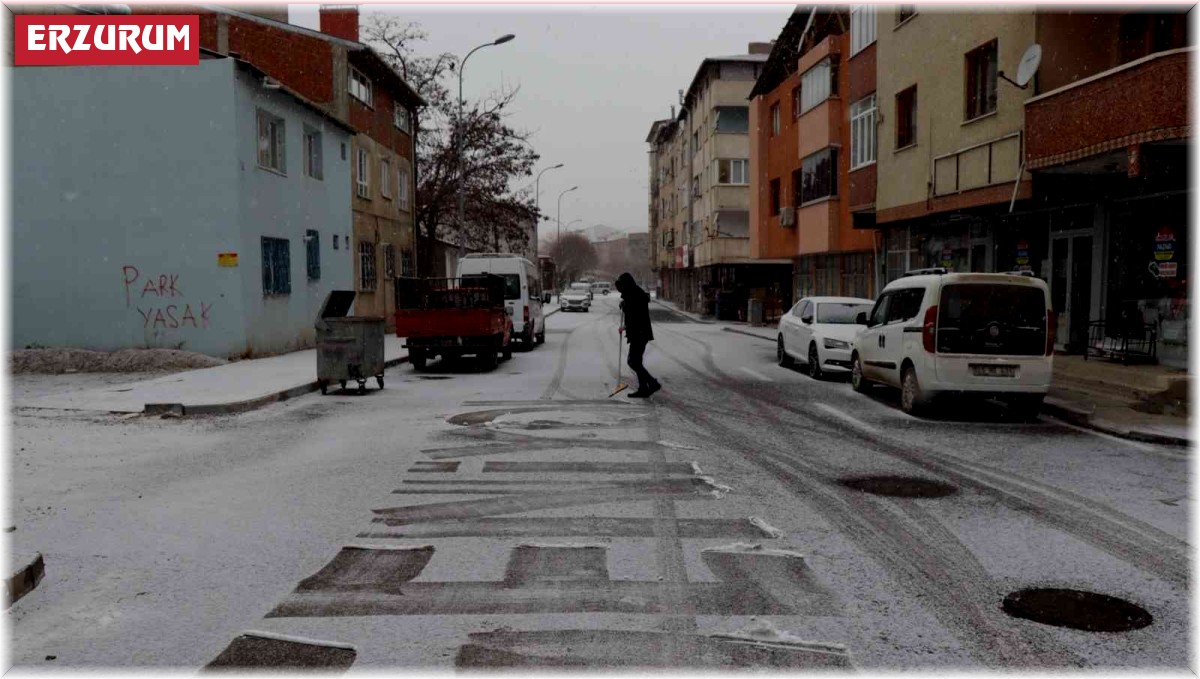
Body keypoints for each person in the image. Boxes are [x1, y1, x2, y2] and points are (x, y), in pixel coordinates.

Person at [615, 272, 661, 398]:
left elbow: (635, 317)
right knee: (637, 361)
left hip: (639, 334)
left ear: (627, 284)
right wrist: (624, 304)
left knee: (633, 362)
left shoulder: (635, 295)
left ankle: (652, 383)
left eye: (622, 286)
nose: (621, 289)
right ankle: (643, 388)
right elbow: (631, 312)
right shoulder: (633, 293)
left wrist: (625, 327)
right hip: (640, 333)